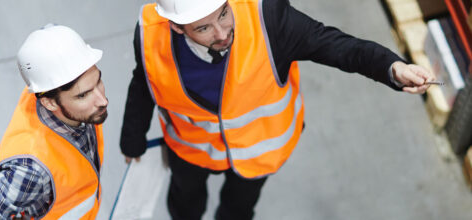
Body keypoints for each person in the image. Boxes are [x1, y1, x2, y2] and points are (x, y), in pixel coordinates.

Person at [120, 0, 434, 219]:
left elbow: (338, 47)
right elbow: (143, 84)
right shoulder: (149, 37)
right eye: (203, 28)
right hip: (192, 150)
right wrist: (131, 139)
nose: (221, 33)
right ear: (176, 27)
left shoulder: (268, 17)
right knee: (185, 203)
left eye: (224, 14)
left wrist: (392, 67)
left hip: (259, 150)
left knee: (239, 208)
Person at [0, 24, 108, 219]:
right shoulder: (30, 168)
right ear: (49, 103)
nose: (102, 100)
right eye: (83, 95)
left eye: (98, 81)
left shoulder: (50, 88)